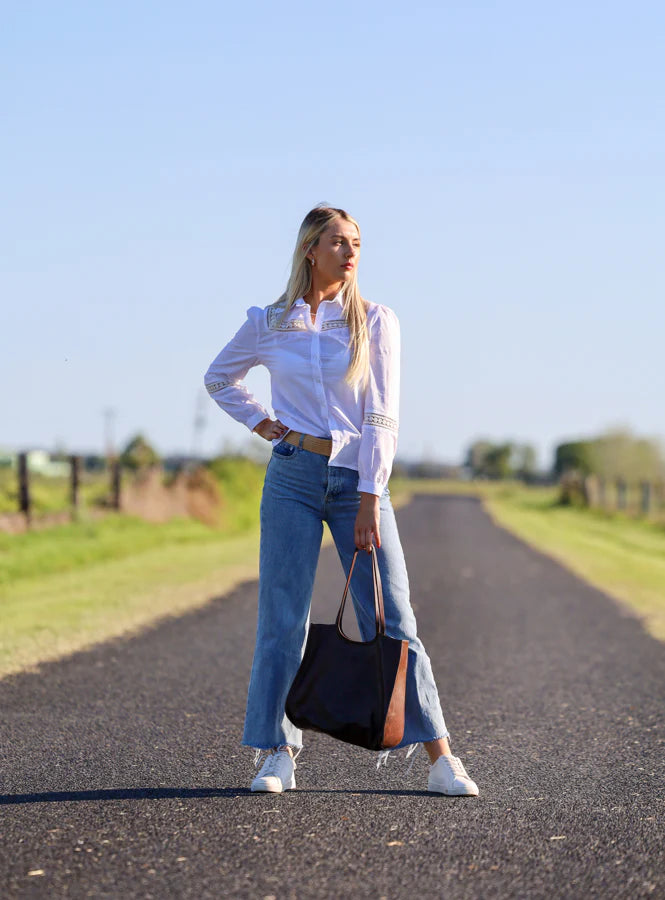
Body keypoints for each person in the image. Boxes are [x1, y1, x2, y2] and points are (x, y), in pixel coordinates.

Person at [204, 203, 479, 797]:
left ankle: (440, 757)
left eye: (357, 242)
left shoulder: (375, 321)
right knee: (282, 619)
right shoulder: (268, 321)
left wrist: (368, 497)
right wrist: (264, 425)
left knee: (391, 617)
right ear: (311, 249)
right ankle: (278, 753)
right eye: (338, 242)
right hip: (291, 476)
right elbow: (220, 378)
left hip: (357, 479)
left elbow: (382, 415)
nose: (351, 252)